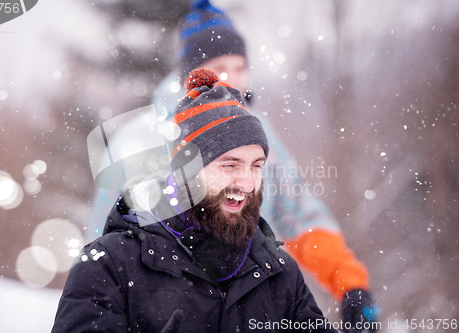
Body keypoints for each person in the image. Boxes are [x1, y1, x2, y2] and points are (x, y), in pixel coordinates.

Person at [87, 0, 379, 331]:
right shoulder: (138, 139)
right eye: (221, 67)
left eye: (241, 68)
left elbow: (298, 215)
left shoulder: (260, 134)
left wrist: (349, 282)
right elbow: (102, 244)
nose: (234, 79)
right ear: (192, 74)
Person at [53, 69, 337, 333]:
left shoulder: (280, 274)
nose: (247, 183)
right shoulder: (109, 265)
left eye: (256, 166)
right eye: (229, 166)